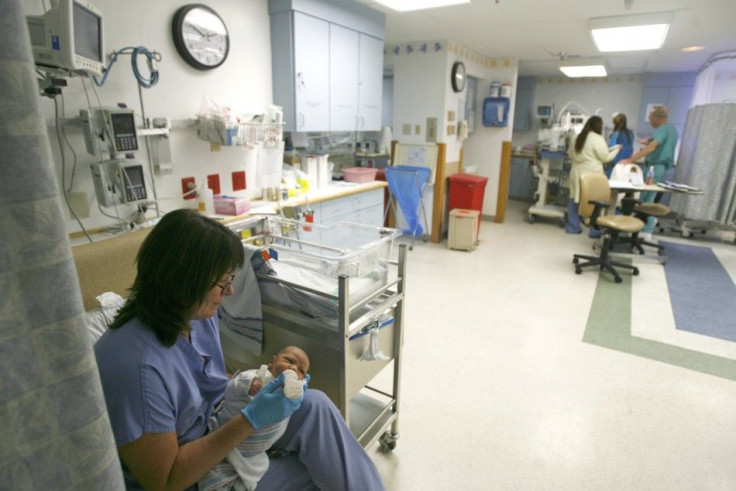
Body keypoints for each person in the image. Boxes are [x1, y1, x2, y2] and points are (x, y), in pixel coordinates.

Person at [94, 209, 384, 490]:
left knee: (315, 406)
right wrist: (250, 419)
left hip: (216, 427)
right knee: (313, 469)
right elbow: (166, 480)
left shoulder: (193, 314)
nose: (230, 292)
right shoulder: (135, 369)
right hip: (192, 476)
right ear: (185, 281)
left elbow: (206, 380)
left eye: (230, 279)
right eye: (223, 282)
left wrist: (260, 382)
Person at [199, 346, 310, 491]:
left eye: (301, 370)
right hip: (228, 438)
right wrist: (248, 385)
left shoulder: (290, 395)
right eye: (289, 360)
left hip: (253, 453)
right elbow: (233, 386)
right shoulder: (258, 378)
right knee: (218, 472)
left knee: (257, 467)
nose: (294, 369)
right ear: (272, 362)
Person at [620, 105, 678, 237]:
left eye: (650, 118)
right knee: (648, 199)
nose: (650, 121)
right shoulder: (671, 129)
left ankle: (646, 231)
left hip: (655, 167)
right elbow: (655, 144)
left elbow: (652, 148)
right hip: (659, 168)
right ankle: (645, 227)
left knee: (648, 201)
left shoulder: (662, 129)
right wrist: (646, 142)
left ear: (657, 117)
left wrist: (631, 160)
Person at [566, 115, 621, 235]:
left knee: (574, 199)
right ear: (599, 127)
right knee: (596, 202)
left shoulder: (576, 137)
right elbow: (605, 158)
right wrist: (617, 150)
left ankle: (573, 227)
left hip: (576, 172)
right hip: (592, 175)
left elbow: (570, 154)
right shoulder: (598, 138)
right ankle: (594, 230)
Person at [605, 113, 635, 177]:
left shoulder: (615, 134)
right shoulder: (631, 134)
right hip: (626, 164)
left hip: (614, 165)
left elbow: (611, 150)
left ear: (614, 123)